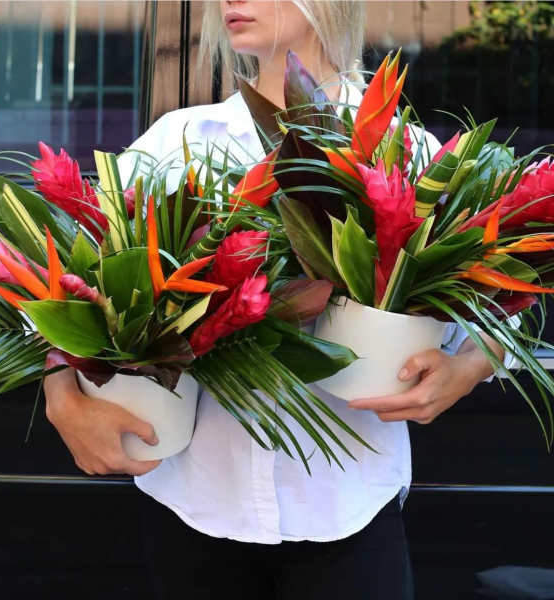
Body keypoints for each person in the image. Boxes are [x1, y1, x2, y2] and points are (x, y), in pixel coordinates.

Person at [44, 2, 513, 598]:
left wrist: (466, 370)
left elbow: (500, 305)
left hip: (348, 507)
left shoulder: (409, 150)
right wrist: (62, 399)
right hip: (194, 505)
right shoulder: (178, 141)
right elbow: (66, 288)